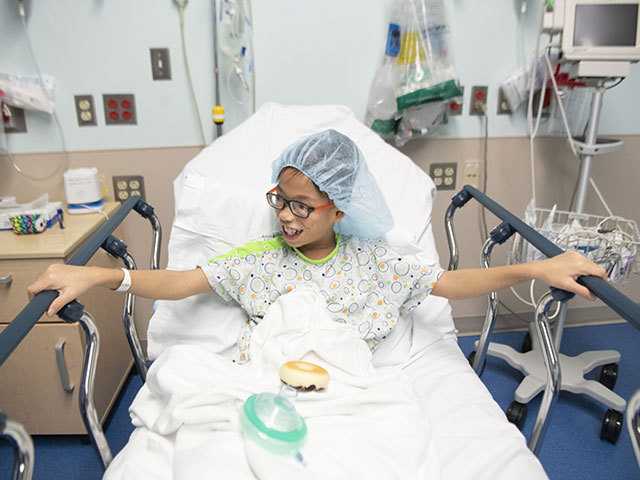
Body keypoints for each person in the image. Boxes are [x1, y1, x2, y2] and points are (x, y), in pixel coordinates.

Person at [28, 129, 607, 362]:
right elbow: (181, 282)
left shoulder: (374, 261)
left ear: (339, 210)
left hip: (347, 390)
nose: (285, 215)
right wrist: (102, 278)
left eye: (301, 205)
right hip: (268, 386)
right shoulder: (258, 260)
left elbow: (446, 282)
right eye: (279, 199)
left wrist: (534, 265)